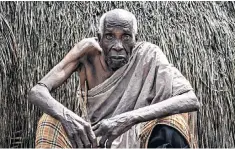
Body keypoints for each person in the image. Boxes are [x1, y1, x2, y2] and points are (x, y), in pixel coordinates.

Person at [29, 9, 200, 148]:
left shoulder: (149, 55)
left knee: (173, 121)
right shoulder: (87, 52)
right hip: (94, 140)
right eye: (110, 36)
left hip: (138, 136)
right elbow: (37, 91)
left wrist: (127, 119)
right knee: (49, 122)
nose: (118, 46)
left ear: (135, 40)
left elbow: (190, 99)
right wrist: (66, 116)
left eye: (125, 37)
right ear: (99, 38)